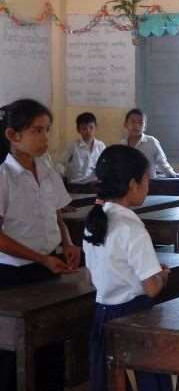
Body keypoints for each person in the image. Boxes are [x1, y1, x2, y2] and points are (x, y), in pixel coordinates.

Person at [0, 99, 79, 391]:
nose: (45, 138)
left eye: (47, 130)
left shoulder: (45, 168)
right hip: (13, 277)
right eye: (37, 131)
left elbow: (56, 212)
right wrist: (41, 258)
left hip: (49, 269)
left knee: (52, 346)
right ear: (13, 135)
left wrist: (68, 242)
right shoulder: (3, 176)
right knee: (13, 355)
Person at [82, 145, 172, 391]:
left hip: (103, 314)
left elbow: (91, 278)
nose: (148, 186)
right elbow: (152, 288)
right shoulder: (131, 227)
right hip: (134, 317)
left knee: (110, 381)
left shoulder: (95, 221)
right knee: (145, 382)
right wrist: (162, 275)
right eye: (146, 180)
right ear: (133, 184)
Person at [120, 109, 179, 179]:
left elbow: (162, 163)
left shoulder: (151, 142)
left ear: (144, 127)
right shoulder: (122, 144)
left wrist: (173, 175)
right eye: (133, 122)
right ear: (125, 124)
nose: (136, 125)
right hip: (129, 186)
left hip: (150, 185)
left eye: (140, 122)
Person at [59, 111, 106, 184]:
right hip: (76, 187)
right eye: (84, 128)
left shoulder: (101, 146)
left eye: (91, 127)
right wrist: (62, 175)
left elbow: (106, 165)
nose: (88, 131)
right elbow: (60, 163)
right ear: (78, 130)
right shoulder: (73, 146)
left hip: (95, 187)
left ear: (96, 128)